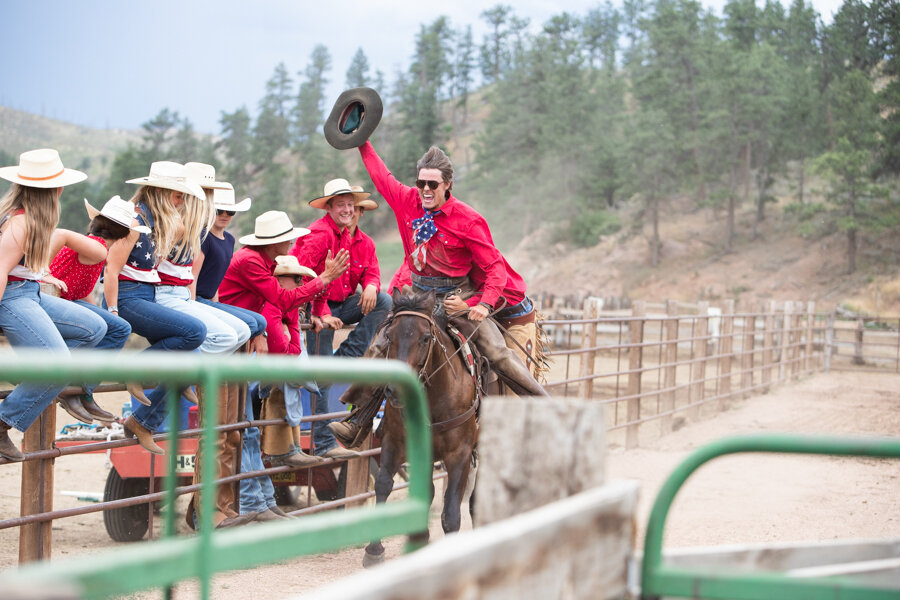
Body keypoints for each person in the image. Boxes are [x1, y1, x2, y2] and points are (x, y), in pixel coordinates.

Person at [328, 141, 548, 448]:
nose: (425, 189)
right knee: (381, 343)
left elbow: (495, 269)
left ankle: (546, 408)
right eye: (421, 183)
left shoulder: (468, 220)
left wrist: (481, 305)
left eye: (432, 184)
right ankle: (359, 420)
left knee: (496, 351)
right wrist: (363, 142)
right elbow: (381, 176)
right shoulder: (407, 200)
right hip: (419, 294)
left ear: (447, 185)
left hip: (458, 294)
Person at [218, 210, 349, 467]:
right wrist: (323, 279)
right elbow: (281, 302)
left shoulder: (260, 264)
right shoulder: (251, 263)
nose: (291, 243)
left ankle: (275, 459)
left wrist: (273, 335)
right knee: (248, 416)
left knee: (253, 413)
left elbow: (283, 308)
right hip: (234, 343)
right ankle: (276, 457)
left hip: (242, 339)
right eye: (295, 278)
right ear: (273, 241)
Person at [0, 149, 107, 461]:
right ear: (58, 190)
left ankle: (36, 378)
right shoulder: (21, 224)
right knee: (59, 366)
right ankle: (4, 421)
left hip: (28, 292)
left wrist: (41, 274)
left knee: (94, 327)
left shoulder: (28, 218)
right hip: (13, 297)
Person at [104, 161, 208, 455]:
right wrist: (113, 313)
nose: (181, 202)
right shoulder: (133, 219)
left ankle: (142, 422)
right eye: (177, 196)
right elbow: (111, 270)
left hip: (146, 296)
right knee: (195, 331)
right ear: (161, 193)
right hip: (127, 298)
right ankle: (135, 367)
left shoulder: (160, 223)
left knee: (196, 361)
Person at [290, 179, 389, 459]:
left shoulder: (359, 240)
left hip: (339, 304)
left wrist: (371, 284)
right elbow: (302, 277)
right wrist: (318, 310)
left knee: (383, 301)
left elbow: (371, 270)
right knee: (321, 374)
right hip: (312, 306)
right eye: (343, 205)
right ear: (330, 208)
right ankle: (322, 443)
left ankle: (346, 356)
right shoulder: (321, 235)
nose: (350, 211)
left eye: (353, 206)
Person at [44, 196, 149, 424]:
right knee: (112, 329)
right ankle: (77, 388)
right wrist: (44, 271)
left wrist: (102, 312)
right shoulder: (98, 249)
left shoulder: (96, 248)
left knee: (119, 327)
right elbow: (60, 233)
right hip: (56, 298)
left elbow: (81, 286)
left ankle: (82, 391)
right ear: (123, 233)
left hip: (70, 298)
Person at [239, 255, 319, 522]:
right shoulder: (272, 307)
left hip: (253, 378)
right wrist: (284, 333)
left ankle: (262, 502)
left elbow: (292, 350)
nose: (299, 283)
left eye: (301, 279)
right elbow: (285, 350)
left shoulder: (286, 309)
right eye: (295, 279)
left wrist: (286, 332)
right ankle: (256, 503)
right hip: (243, 374)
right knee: (244, 434)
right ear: (277, 280)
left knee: (247, 434)